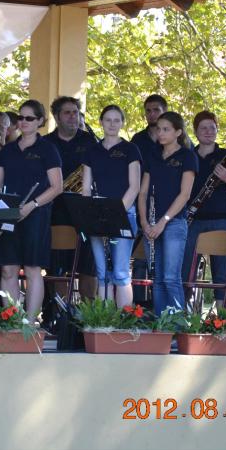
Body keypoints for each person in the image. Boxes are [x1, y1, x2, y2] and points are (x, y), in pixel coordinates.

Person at [0, 100, 63, 321]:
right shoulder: (8, 149)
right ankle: (12, 321)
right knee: (7, 269)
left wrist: (32, 205)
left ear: (40, 121)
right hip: (9, 214)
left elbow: (57, 187)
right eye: (20, 117)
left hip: (36, 215)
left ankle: (29, 324)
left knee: (32, 270)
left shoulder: (48, 149)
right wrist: (5, 206)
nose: (23, 122)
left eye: (29, 118)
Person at [182, 111, 226, 307]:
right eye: (203, 128)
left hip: (223, 221)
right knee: (184, 274)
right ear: (195, 131)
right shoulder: (187, 156)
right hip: (193, 221)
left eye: (212, 128)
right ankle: (181, 318)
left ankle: (224, 321)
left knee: (223, 276)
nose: (208, 132)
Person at [80, 105, 141, 308]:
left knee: (120, 272)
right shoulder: (92, 151)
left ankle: (124, 319)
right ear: (101, 122)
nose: (112, 124)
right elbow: (86, 188)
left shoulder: (130, 150)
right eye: (108, 120)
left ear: (122, 123)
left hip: (124, 213)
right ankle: (105, 319)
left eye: (117, 120)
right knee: (101, 272)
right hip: (98, 215)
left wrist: (115, 214)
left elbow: (134, 187)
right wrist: (92, 214)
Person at [137, 112, 197, 315]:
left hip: (173, 223)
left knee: (171, 277)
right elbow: (143, 192)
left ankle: (177, 324)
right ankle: (161, 322)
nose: (160, 133)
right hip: (151, 223)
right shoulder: (152, 155)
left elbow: (185, 194)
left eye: (166, 129)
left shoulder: (187, 156)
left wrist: (163, 222)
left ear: (178, 132)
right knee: (157, 278)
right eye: (158, 129)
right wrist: (144, 222)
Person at [45, 96, 99, 300]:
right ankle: (59, 312)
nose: (72, 116)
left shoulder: (90, 141)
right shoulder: (46, 143)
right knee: (57, 270)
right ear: (56, 116)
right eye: (67, 112)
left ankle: (88, 313)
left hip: (84, 212)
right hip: (55, 212)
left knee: (88, 268)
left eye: (75, 112)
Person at [130, 94, 168, 167]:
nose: (152, 114)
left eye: (156, 110)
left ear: (165, 111)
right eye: (148, 111)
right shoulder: (137, 139)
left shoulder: (175, 138)